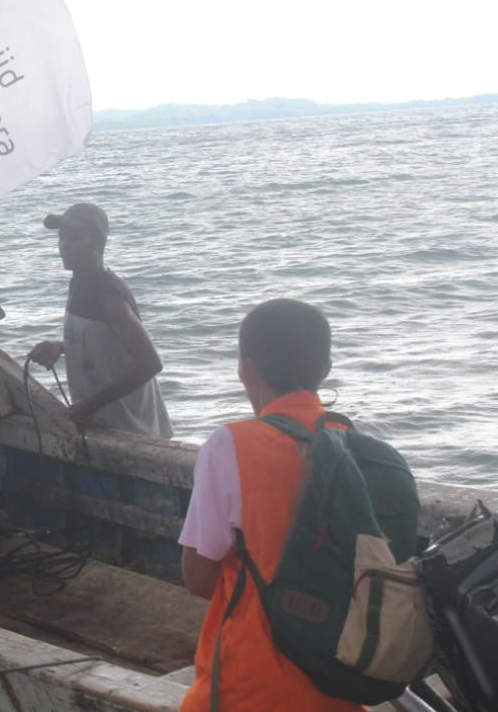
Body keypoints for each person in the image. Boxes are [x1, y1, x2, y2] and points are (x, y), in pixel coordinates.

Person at [177, 298, 358, 711]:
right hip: (342, 684)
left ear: (245, 368)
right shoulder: (356, 444)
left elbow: (198, 577)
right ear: (325, 368)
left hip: (249, 685)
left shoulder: (230, 445)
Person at [27, 203, 172, 438]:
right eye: (62, 237)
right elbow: (102, 341)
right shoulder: (77, 284)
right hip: (102, 423)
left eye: (74, 238)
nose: (64, 246)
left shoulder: (111, 298)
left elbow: (150, 363)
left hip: (133, 429)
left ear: (99, 242)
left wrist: (91, 405)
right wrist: (62, 348)